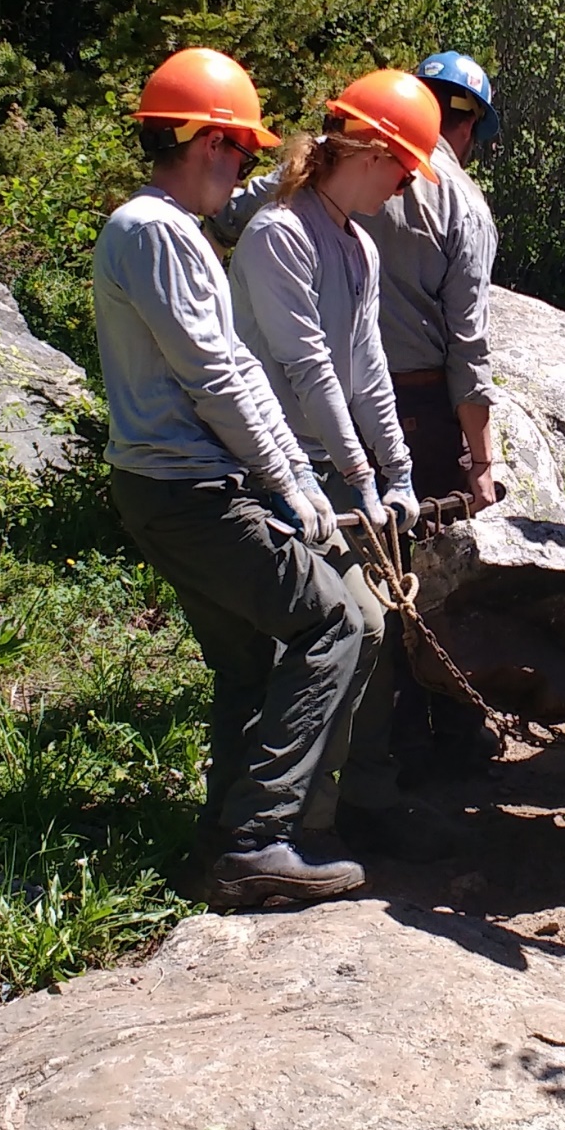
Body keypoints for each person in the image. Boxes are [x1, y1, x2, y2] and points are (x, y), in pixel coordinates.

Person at [92, 48, 367, 914]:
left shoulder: (160, 231)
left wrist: (292, 475)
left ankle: (221, 841)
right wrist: (291, 483)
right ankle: (258, 842)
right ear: (207, 140)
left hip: (178, 489)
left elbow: (237, 368)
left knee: (247, 658)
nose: (244, 167)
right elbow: (215, 374)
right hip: (191, 491)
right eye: (240, 150)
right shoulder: (157, 232)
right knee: (332, 624)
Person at [229, 68, 455, 860]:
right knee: (337, 633)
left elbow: (368, 369)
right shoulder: (279, 234)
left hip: (334, 469)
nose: (403, 188)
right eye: (402, 168)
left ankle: (367, 791)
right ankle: (303, 822)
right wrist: (362, 479)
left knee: (379, 630)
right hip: (275, 471)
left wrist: (399, 476)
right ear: (369, 149)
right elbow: (307, 368)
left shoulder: (355, 242)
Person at [358, 51, 501, 511]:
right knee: (421, 548)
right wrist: (481, 464)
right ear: (468, 127)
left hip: (330, 392)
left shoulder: (350, 161)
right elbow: (467, 342)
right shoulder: (462, 203)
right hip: (415, 404)